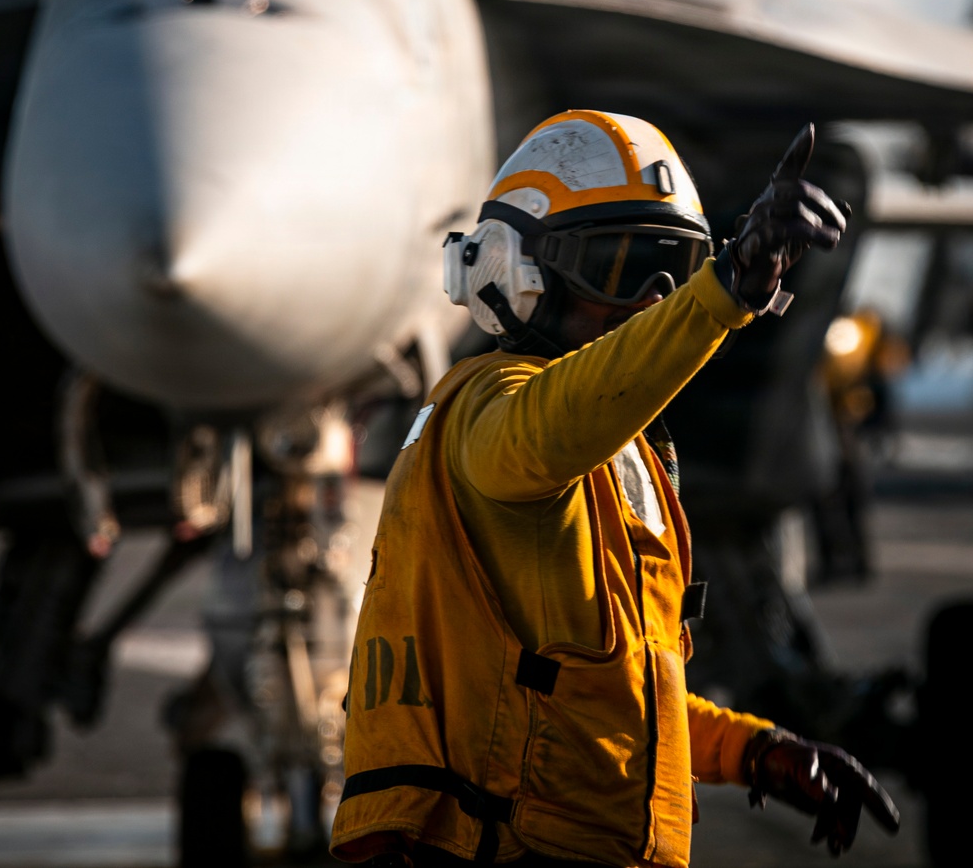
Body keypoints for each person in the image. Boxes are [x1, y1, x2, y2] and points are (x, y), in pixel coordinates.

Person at [331, 111, 899, 868]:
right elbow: (546, 428)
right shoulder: (487, 411)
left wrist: (754, 750)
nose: (654, 297)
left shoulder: (616, 455)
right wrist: (722, 290)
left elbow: (611, 699)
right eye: (623, 266)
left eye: (678, 267)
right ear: (515, 271)